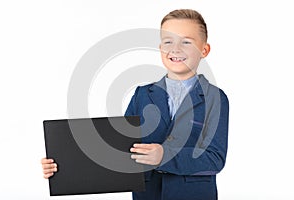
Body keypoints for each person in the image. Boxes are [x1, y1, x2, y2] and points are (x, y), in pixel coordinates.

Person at [41, 9, 229, 200]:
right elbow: (121, 148)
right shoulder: (142, 94)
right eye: (168, 41)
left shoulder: (215, 98)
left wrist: (165, 156)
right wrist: (63, 166)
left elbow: (215, 158)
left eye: (186, 42)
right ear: (161, 48)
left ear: (204, 50)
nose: (176, 49)